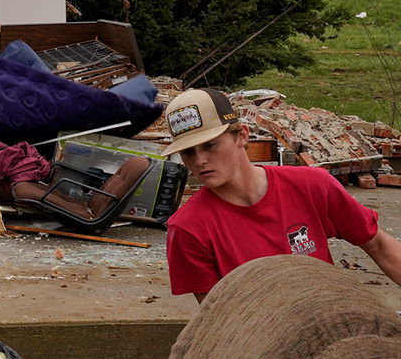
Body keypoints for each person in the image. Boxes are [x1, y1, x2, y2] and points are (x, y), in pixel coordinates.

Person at [163, 87, 401, 302]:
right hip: (261, 339)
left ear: (242, 136)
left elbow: (379, 245)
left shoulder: (312, 185)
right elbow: (219, 318)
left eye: (210, 145)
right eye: (188, 152)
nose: (200, 161)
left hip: (330, 321)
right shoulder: (188, 228)